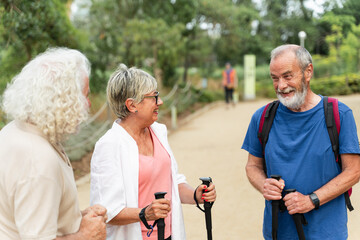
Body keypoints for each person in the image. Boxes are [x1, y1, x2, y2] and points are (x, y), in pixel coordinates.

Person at [242, 44, 360, 239]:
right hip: (278, 231)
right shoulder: (262, 117)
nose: (281, 86)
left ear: (308, 72)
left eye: (288, 76)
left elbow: (354, 171)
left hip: (326, 233)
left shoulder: (339, 114)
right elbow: (252, 166)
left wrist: (312, 200)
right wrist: (264, 184)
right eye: (275, 78)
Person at [90, 64, 217, 240]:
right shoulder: (109, 145)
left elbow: (173, 181)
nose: (160, 102)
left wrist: (196, 195)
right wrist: (145, 213)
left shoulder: (159, 132)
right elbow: (106, 211)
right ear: (132, 105)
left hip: (170, 235)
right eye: (154, 97)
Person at [0, 48, 107, 239]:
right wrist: (85, 235)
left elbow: (26, 213)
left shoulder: (14, 131)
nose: (89, 104)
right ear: (65, 100)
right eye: (85, 96)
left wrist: (76, 217)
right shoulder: (39, 160)